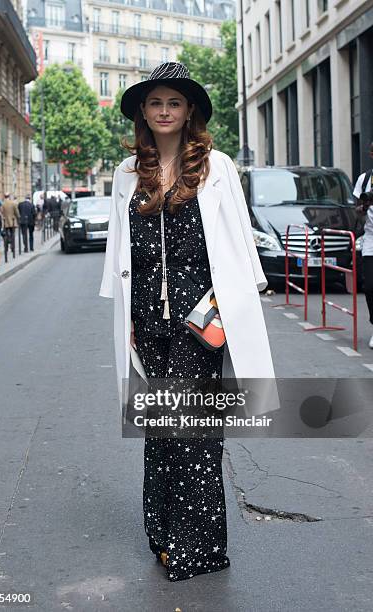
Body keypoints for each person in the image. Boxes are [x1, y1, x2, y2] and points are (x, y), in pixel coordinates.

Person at [99, 62, 275, 582]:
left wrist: (240, 301)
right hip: (148, 321)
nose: (165, 112)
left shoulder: (217, 166)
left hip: (203, 320)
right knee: (160, 428)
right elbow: (119, 249)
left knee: (194, 432)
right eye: (156, 104)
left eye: (174, 103)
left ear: (189, 110)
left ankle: (199, 547)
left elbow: (240, 238)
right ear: (143, 114)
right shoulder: (126, 174)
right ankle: (164, 532)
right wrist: (125, 314)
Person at [353, 141, 373, 349]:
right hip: (371, 239)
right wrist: (362, 208)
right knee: (369, 286)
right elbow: (356, 211)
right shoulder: (365, 179)